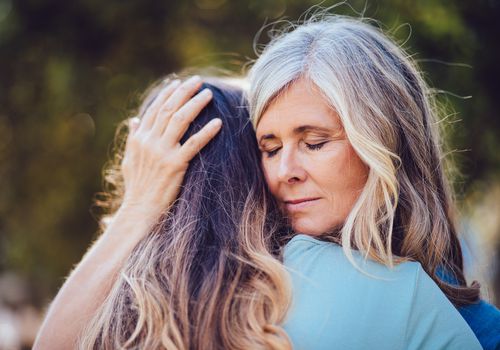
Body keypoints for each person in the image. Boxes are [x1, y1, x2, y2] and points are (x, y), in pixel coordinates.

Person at [247, 14, 498, 349]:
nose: (285, 171)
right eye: (271, 148)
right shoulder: (239, 291)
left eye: (315, 143)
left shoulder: (479, 333)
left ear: (385, 141)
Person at [34, 78, 292, 349]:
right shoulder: (295, 281)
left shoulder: (110, 303)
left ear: (138, 167)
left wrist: (136, 208)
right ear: (254, 174)